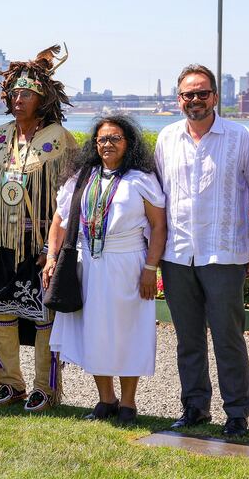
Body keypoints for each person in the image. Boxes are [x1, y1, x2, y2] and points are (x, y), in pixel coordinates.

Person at [153, 64, 249, 438]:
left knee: (228, 337)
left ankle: (237, 414)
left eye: (202, 93)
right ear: (179, 99)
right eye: (188, 94)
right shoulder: (166, 138)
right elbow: (158, 198)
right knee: (188, 338)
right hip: (178, 254)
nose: (195, 100)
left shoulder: (240, 136)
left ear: (215, 97)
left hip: (224, 253)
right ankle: (195, 407)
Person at [43, 115, 167, 425]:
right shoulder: (82, 177)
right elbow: (59, 220)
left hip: (129, 263)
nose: (107, 144)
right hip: (89, 265)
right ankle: (105, 399)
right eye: (102, 139)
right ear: (94, 144)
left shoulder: (141, 179)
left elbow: (158, 225)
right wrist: (51, 257)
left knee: (129, 331)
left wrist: (151, 268)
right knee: (94, 330)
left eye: (115, 139)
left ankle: (128, 403)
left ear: (129, 144)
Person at [0, 45, 77, 412]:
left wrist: (53, 248)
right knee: (2, 311)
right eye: (14, 93)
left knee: (41, 316)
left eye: (27, 94)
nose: (19, 99)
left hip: (39, 243)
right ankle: (8, 384)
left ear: (43, 98)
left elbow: (68, 199)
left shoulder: (59, 139)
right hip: (3, 240)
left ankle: (43, 388)